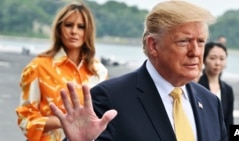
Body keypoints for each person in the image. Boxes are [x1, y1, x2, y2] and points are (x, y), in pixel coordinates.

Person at [50, 1, 228, 141]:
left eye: (201, 42)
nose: (195, 52)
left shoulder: (211, 102)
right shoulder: (111, 98)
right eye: (183, 41)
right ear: (153, 46)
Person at [15, 1, 108, 141]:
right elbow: (25, 120)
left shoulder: (100, 72)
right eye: (69, 25)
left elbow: (103, 120)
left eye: (81, 27)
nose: (74, 31)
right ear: (59, 28)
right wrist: (64, 122)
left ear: (88, 31)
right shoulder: (37, 67)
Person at [198, 42, 234, 133]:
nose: (217, 63)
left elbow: (229, 120)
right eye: (213, 58)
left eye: (222, 59)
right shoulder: (196, 86)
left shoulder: (228, 90)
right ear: (204, 60)